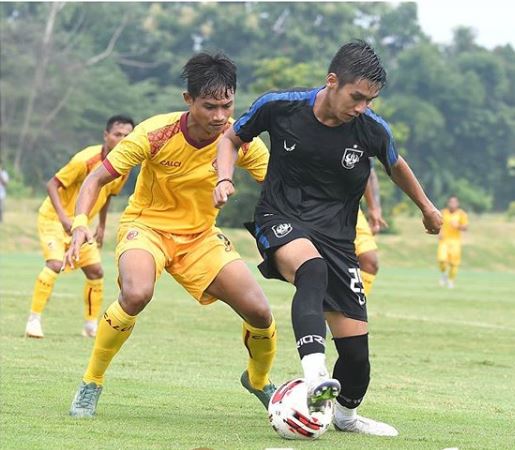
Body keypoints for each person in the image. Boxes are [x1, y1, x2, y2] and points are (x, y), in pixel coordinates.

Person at [214, 40, 442, 436]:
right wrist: (224, 177)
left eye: (370, 100)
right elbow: (232, 137)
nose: (362, 108)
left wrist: (426, 207)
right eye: (356, 97)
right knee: (311, 270)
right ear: (332, 81)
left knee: (356, 358)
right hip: (280, 217)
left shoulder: (371, 129)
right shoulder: (280, 107)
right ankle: (314, 373)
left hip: (338, 238)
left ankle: (345, 416)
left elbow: (395, 165)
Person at [64, 53, 277, 418]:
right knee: (136, 292)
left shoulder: (240, 139)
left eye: (227, 105)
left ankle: (258, 380)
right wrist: (81, 222)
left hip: (201, 238)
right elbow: (97, 177)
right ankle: (91, 381)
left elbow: (279, 186)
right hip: (146, 229)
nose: (220, 116)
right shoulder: (154, 133)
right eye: (209, 106)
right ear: (188, 100)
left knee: (259, 311)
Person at [25, 116, 135, 339]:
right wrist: (65, 218)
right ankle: (33, 320)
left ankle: (90, 325)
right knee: (55, 264)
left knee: (96, 271)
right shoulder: (84, 160)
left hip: (80, 225)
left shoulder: (125, 165)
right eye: (117, 134)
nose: (122, 140)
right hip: (54, 219)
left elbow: (108, 194)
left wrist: (102, 226)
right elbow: (52, 184)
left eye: (127, 135)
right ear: (106, 136)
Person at [356, 166, 387, 296]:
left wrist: (374, 209)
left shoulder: (359, 145)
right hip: (314, 206)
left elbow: (369, 170)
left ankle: (354, 309)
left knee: (370, 261)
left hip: (350, 208)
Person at [437, 195, 468, 288]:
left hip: (455, 241)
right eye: (451, 202)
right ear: (448, 203)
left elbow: (466, 227)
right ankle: (443, 275)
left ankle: (451, 280)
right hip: (444, 240)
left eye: (454, 202)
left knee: (454, 263)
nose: (452, 204)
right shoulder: (443, 212)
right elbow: (439, 224)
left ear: (457, 204)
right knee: (442, 259)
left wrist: (458, 226)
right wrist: (439, 232)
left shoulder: (461, 214)